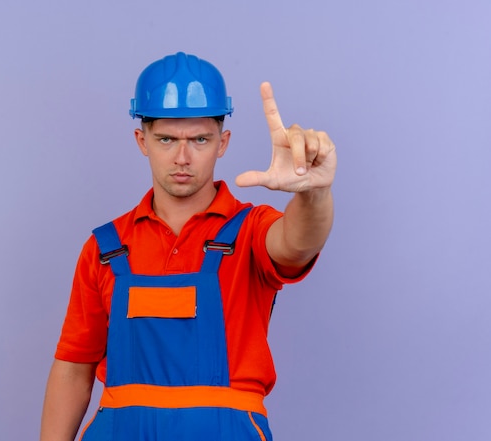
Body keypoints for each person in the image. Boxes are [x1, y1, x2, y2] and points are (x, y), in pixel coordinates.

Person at [40, 51, 336, 441]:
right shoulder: (106, 248)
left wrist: (314, 192)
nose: (183, 157)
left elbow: (297, 244)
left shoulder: (250, 231)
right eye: (166, 139)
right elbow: (73, 367)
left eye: (200, 139)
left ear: (223, 142)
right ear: (141, 140)